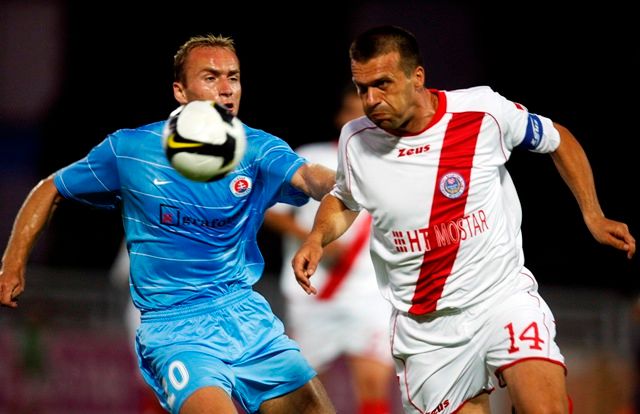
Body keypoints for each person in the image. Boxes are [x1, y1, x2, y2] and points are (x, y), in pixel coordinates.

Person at [292, 25, 636, 414]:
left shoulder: (481, 112)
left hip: (500, 298)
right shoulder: (356, 140)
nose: (371, 100)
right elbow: (344, 198)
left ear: (416, 77)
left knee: (545, 407)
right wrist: (317, 238)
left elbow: (557, 138)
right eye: (362, 88)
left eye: (383, 84)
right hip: (426, 329)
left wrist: (593, 213)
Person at [0, 34, 337, 414]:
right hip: (175, 328)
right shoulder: (131, 149)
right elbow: (51, 188)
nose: (227, 90)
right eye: (211, 78)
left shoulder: (257, 148)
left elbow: (309, 177)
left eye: (234, 77)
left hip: (245, 314)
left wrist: (342, 179)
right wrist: (12, 262)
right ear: (180, 91)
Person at [263, 87, 396, 414]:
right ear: (340, 119)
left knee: (372, 387)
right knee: (304, 393)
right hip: (312, 293)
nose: (360, 117)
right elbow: (272, 213)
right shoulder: (312, 157)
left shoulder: (394, 165)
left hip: (369, 294)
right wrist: (314, 238)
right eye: (353, 109)